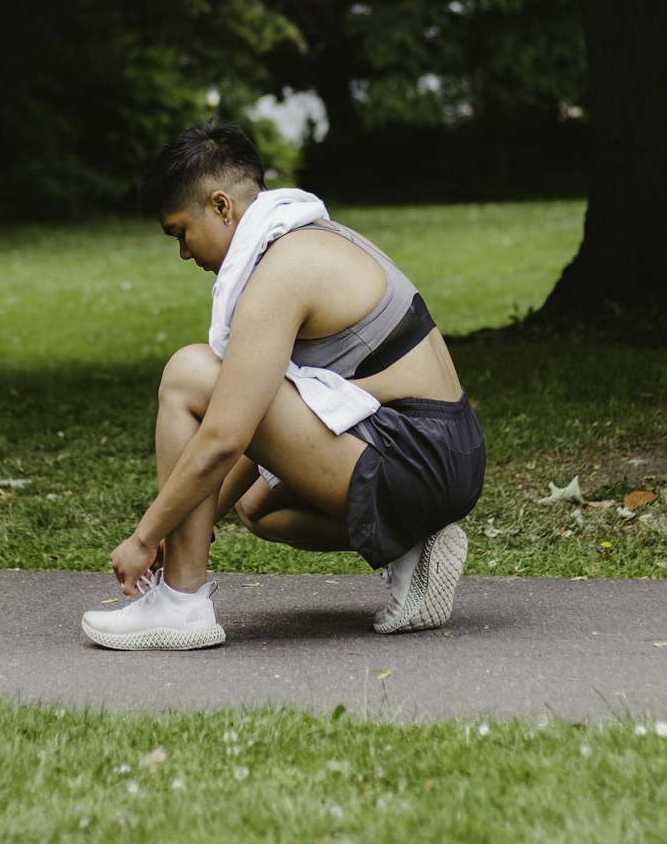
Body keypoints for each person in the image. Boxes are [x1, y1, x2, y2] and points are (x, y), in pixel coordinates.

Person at [81, 122, 485, 651]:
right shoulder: (310, 233)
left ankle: (180, 606)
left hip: (417, 455)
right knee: (258, 506)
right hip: (439, 451)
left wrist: (145, 537)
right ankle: (414, 545)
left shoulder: (282, 269)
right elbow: (260, 431)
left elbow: (227, 435)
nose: (183, 253)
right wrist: (177, 527)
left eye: (180, 232)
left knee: (189, 373)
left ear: (221, 207)